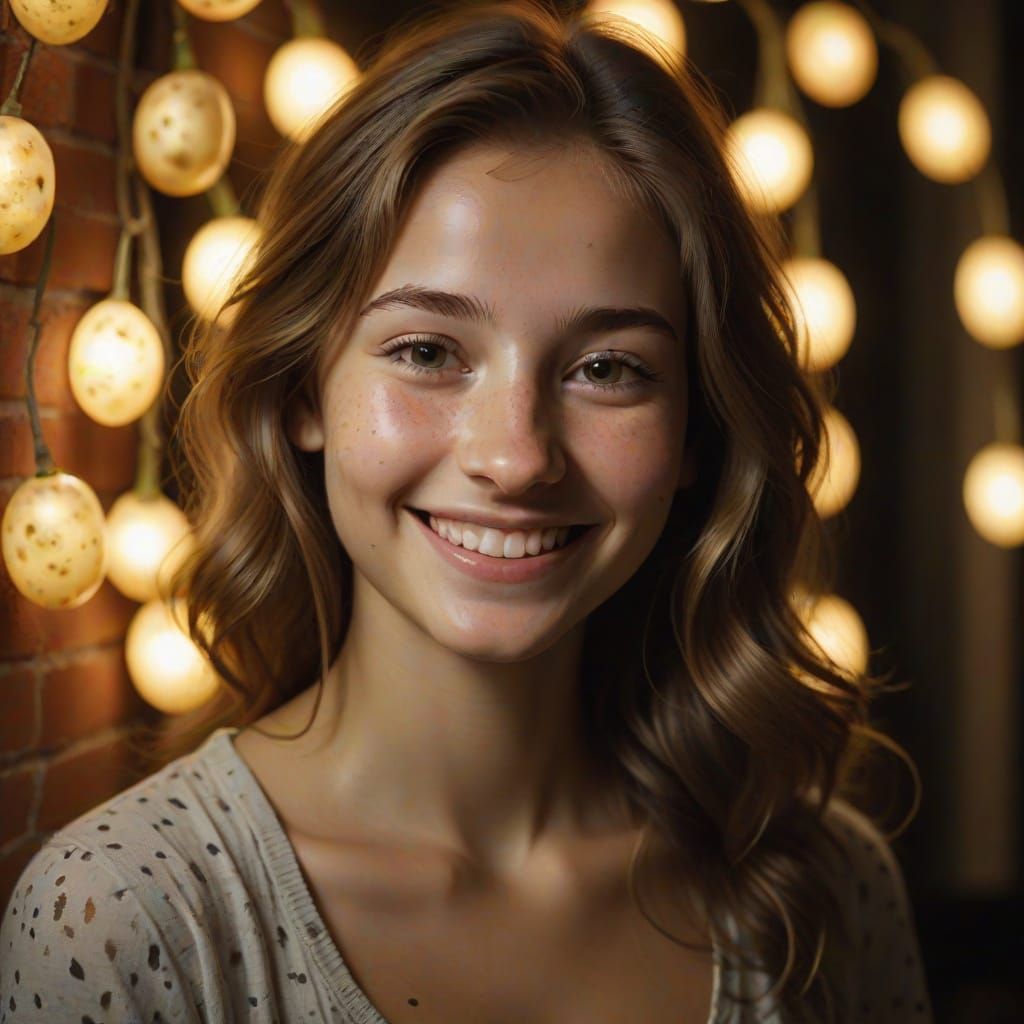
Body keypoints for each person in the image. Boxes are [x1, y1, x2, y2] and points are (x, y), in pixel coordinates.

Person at [0, 2, 933, 1021]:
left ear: (696, 435)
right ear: (304, 390)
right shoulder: (124, 916)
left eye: (608, 368)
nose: (515, 457)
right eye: (428, 353)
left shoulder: (828, 890)